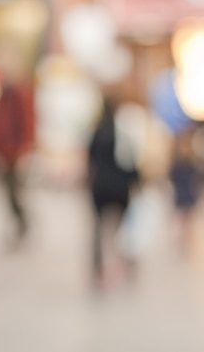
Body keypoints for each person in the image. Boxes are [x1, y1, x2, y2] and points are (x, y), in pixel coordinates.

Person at [88, 96, 139, 289]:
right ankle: (126, 263)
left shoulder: (96, 133)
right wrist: (137, 182)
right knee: (123, 228)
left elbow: (90, 161)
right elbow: (130, 162)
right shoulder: (122, 133)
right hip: (119, 186)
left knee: (99, 229)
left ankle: (98, 267)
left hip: (100, 186)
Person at [0, 80, 34, 245]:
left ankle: (22, 222)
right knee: (8, 192)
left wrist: (22, 149)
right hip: (4, 153)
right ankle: (19, 223)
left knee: (13, 192)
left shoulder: (17, 98)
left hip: (13, 153)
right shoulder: (0, 100)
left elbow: (24, 124)